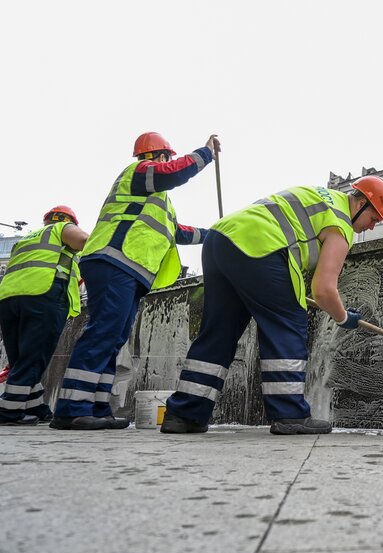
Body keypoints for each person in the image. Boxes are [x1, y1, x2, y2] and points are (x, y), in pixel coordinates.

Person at [161, 176, 383, 435]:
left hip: (221, 239)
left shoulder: (319, 195)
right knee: (287, 325)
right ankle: (290, 414)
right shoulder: (340, 225)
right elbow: (323, 290)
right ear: (361, 202)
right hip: (262, 247)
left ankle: (184, 414)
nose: (372, 227)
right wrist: (343, 318)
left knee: (218, 333)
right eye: (373, 218)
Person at [50, 132, 219, 430]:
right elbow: (175, 172)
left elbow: (179, 232)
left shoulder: (160, 203)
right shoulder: (139, 173)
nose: (169, 161)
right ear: (157, 156)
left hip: (129, 271)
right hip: (113, 261)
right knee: (103, 333)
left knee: (113, 338)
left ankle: (98, 408)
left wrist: (216, 235)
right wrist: (204, 154)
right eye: (167, 156)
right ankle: (71, 408)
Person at [0, 206, 88, 425]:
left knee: (21, 358)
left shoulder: (26, 239)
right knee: (33, 357)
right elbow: (85, 241)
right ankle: (7, 409)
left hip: (9, 299)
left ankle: (36, 406)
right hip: (43, 295)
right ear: (70, 221)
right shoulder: (63, 228)